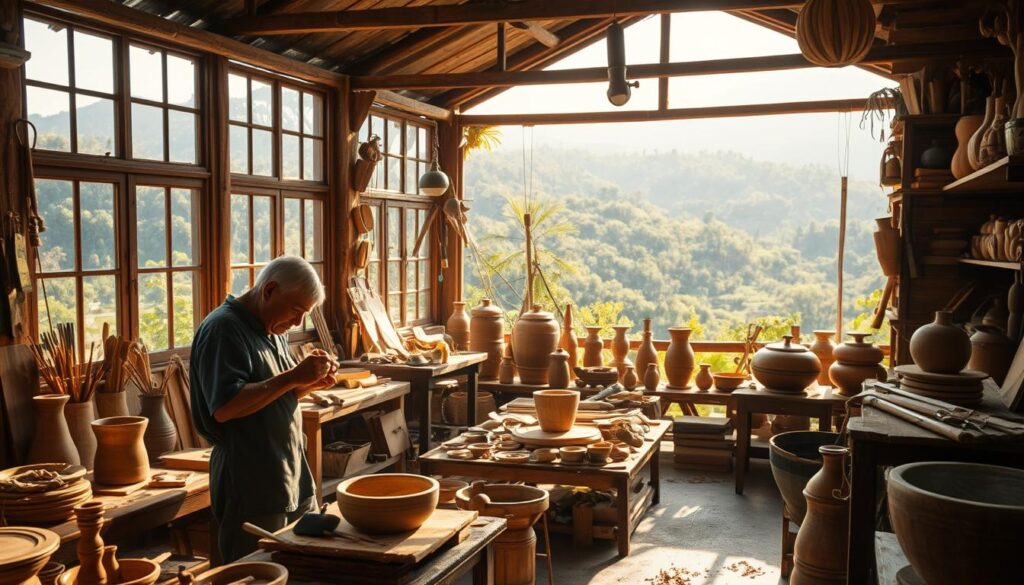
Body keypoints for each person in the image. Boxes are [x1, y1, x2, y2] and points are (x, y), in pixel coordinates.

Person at [190, 255, 338, 561]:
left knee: (302, 569)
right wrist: (294, 376)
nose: (298, 323)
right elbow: (226, 407)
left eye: (304, 315)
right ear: (269, 290)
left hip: (290, 475)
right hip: (251, 483)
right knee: (254, 572)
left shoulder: (272, 329)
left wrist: (308, 384)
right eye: (296, 311)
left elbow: (272, 396)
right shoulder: (224, 329)